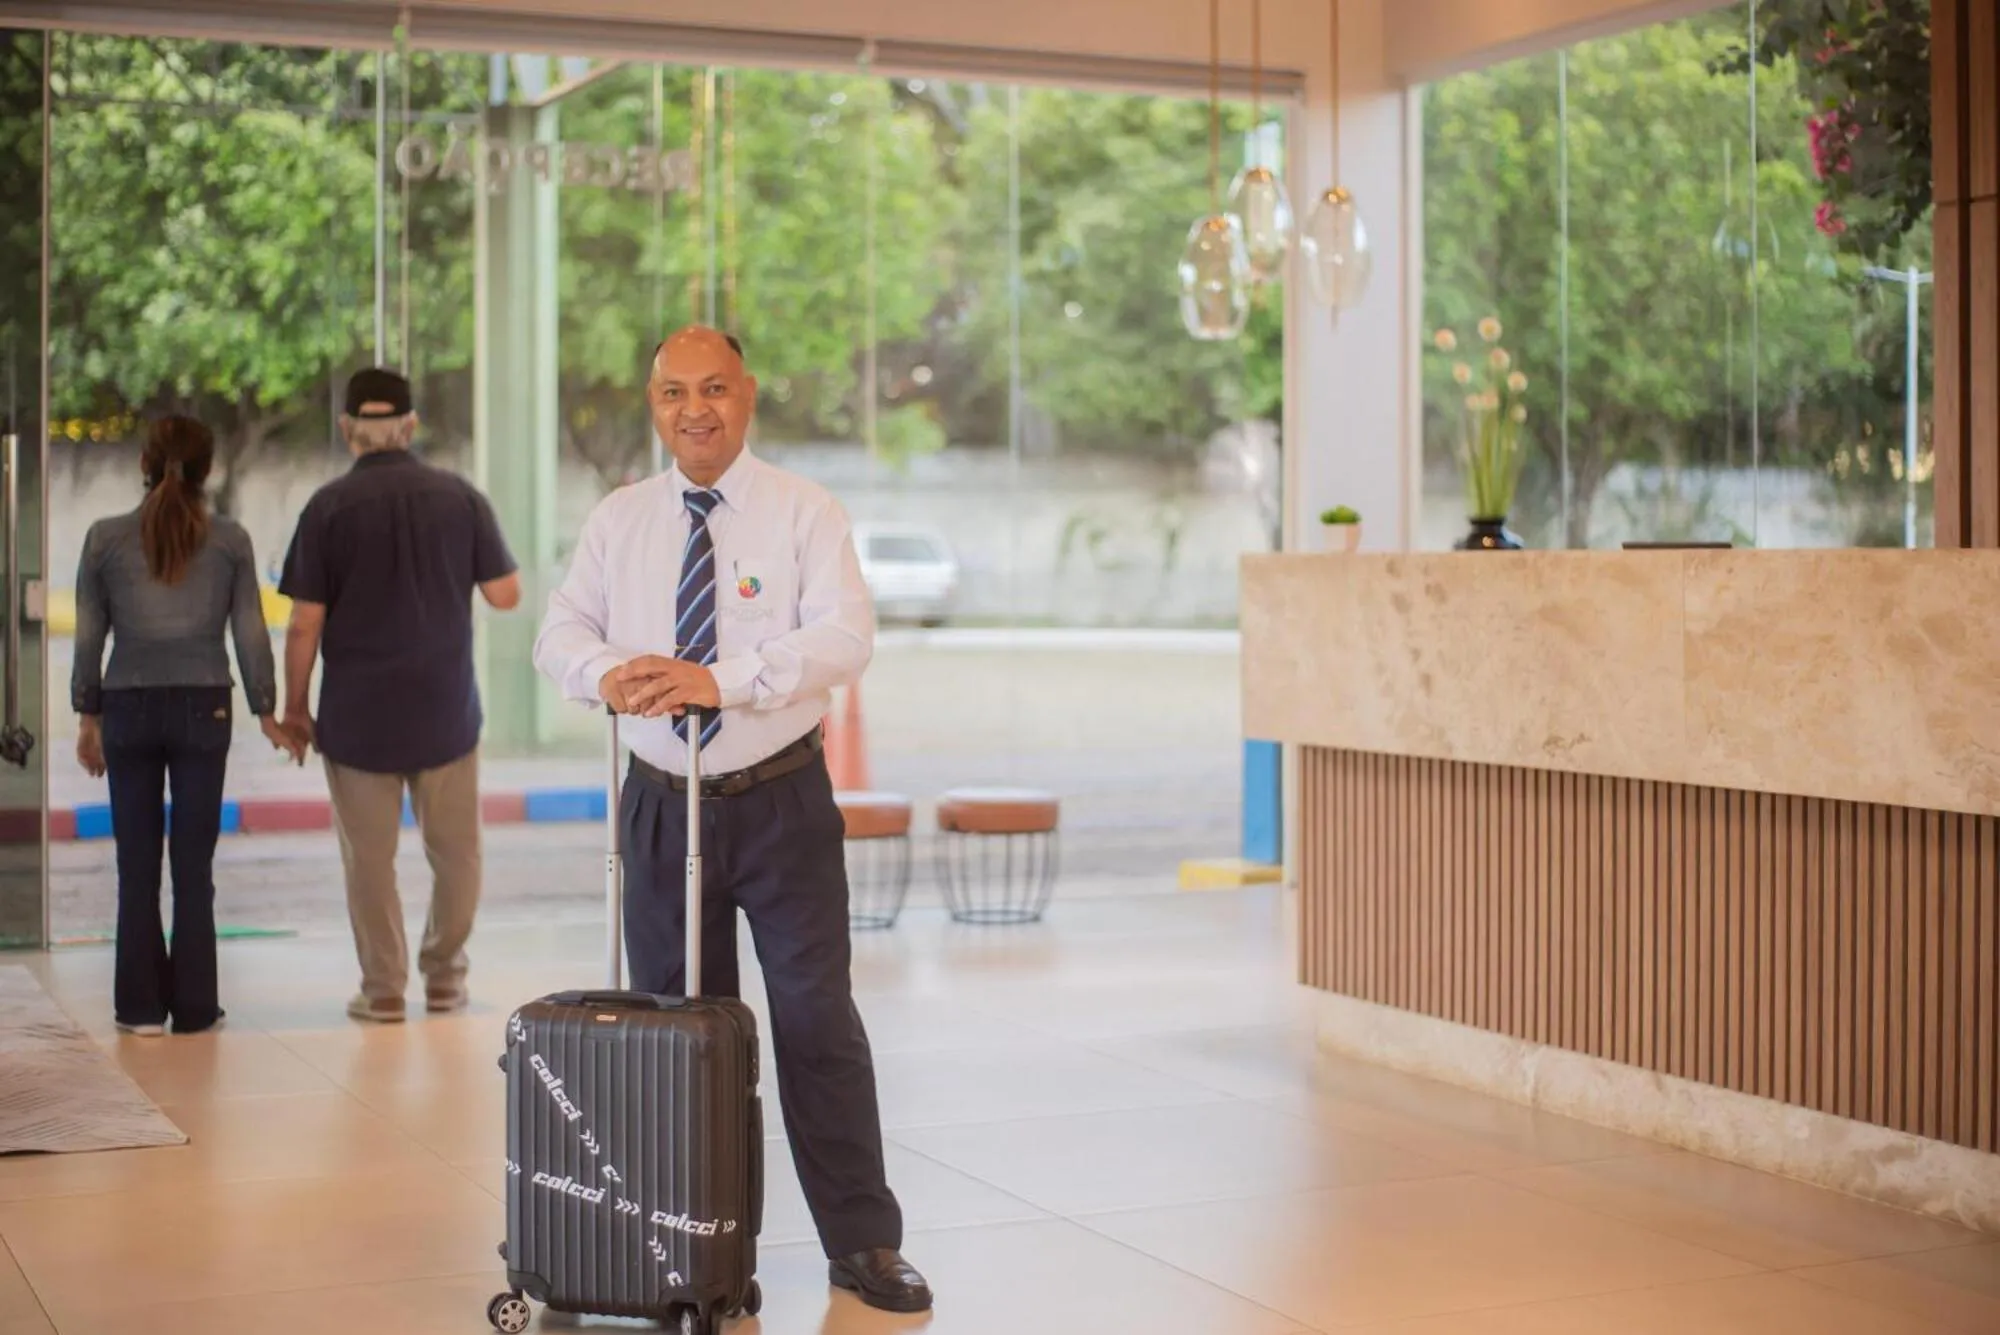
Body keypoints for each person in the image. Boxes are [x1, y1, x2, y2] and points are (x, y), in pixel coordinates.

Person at [532, 327, 931, 1315]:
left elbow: (844, 637)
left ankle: (863, 1244)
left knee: (813, 1023)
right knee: (676, 1036)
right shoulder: (620, 519)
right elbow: (558, 633)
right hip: (663, 809)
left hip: (781, 802)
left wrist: (721, 680)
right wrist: (606, 675)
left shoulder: (802, 511)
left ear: (747, 395)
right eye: (672, 392)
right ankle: (691, 1253)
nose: (693, 409)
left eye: (713, 388)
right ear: (653, 403)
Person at [276, 368, 521, 1024]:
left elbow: (304, 622)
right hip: (445, 711)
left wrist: (295, 709)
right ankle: (444, 977)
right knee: (457, 853)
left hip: (358, 720)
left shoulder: (327, 508)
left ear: (348, 429)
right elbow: (507, 593)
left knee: (369, 861)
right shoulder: (459, 498)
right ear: (411, 426)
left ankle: (384, 988)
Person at [72, 414, 302, 1036]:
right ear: (208, 470)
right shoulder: (230, 540)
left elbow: (90, 637)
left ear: (144, 465)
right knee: (193, 867)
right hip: (206, 706)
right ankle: (197, 1009)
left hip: (128, 705)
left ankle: (140, 1007)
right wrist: (267, 712)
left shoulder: (103, 538)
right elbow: (251, 632)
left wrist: (87, 718)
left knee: (136, 864)